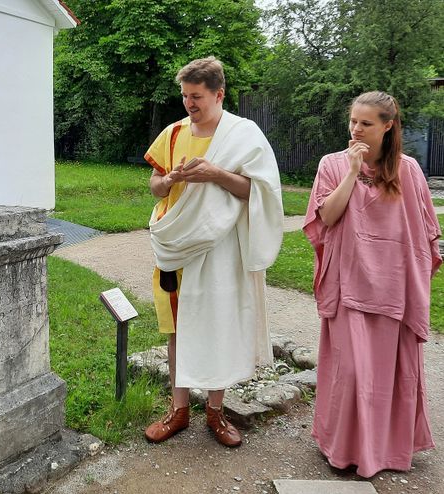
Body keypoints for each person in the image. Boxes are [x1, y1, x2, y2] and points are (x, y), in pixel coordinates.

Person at [144, 57, 284, 446]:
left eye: (198, 97)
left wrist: (216, 175)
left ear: (219, 94)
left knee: (219, 324)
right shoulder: (172, 134)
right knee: (176, 327)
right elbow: (155, 185)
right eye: (186, 96)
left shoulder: (244, 135)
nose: (190, 104)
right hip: (176, 245)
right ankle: (178, 411)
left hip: (221, 247)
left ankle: (216, 414)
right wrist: (168, 179)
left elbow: (260, 193)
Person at [304, 91, 440, 477]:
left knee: (392, 373)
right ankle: (345, 449)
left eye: (366, 123)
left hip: (396, 288)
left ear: (387, 125)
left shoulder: (409, 170)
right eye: (353, 121)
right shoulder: (332, 164)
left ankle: (389, 451)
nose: (356, 129)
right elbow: (327, 218)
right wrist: (351, 170)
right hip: (349, 285)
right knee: (352, 372)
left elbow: (423, 232)